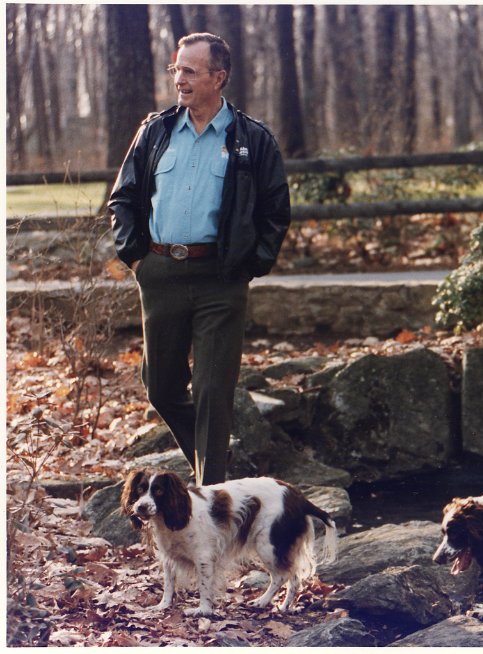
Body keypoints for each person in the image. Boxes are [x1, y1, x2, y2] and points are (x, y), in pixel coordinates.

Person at [109, 33, 290, 485]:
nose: (179, 80)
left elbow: (276, 211)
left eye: (190, 70)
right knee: (162, 389)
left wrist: (249, 266)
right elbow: (124, 198)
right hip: (160, 274)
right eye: (176, 69)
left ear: (218, 77)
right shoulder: (155, 132)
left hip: (220, 278)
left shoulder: (253, 139)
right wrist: (136, 260)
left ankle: (211, 498)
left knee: (213, 391)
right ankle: (216, 468)